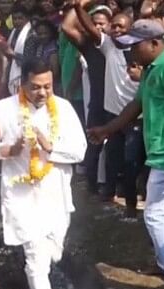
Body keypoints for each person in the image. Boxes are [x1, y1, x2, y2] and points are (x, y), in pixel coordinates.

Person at [89, 20, 164, 289]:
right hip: (161, 156)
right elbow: (136, 105)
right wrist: (107, 129)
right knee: (155, 214)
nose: (130, 52)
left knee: (154, 216)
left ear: (154, 43)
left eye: (135, 46)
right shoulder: (152, 70)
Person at [0, 59, 87, 289]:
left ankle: (38, 281)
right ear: (22, 84)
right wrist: (9, 149)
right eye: (35, 87)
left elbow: (79, 150)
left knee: (54, 251)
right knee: (36, 257)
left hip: (55, 194)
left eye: (47, 87)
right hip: (21, 197)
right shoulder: (5, 109)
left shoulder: (64, 109)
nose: (42, 93)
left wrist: (50, 147)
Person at [73, 0, 138, 206]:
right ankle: (108, 193)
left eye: (121, 26)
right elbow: (89, 27)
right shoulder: (108, 46)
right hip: (112, 114)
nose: (117, 29)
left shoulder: (139, 50)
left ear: (130, 29)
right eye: (115, 26)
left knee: (131, 162)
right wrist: (77, 7)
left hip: (135, 116)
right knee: (112, 158)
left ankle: (130, 203)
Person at [61, 2, 111, 194]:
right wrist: (79, 4)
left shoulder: (122, 44)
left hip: (121, 107)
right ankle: (92, 188)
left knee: (120, 153)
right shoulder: (89, 47)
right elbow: (67, 27)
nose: (98, 27)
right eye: (94, 23)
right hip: (98, 104)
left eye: (102, 23)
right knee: (94, 147)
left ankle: (113, 190)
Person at [6, 4, 32, 94]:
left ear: (27, 18)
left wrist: (13, 54)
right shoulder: (13, 32)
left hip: (26, 75)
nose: (17, 21)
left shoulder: (31, 35)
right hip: (11, 71)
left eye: (20, 18)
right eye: (14, 18)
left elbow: (31, 60)